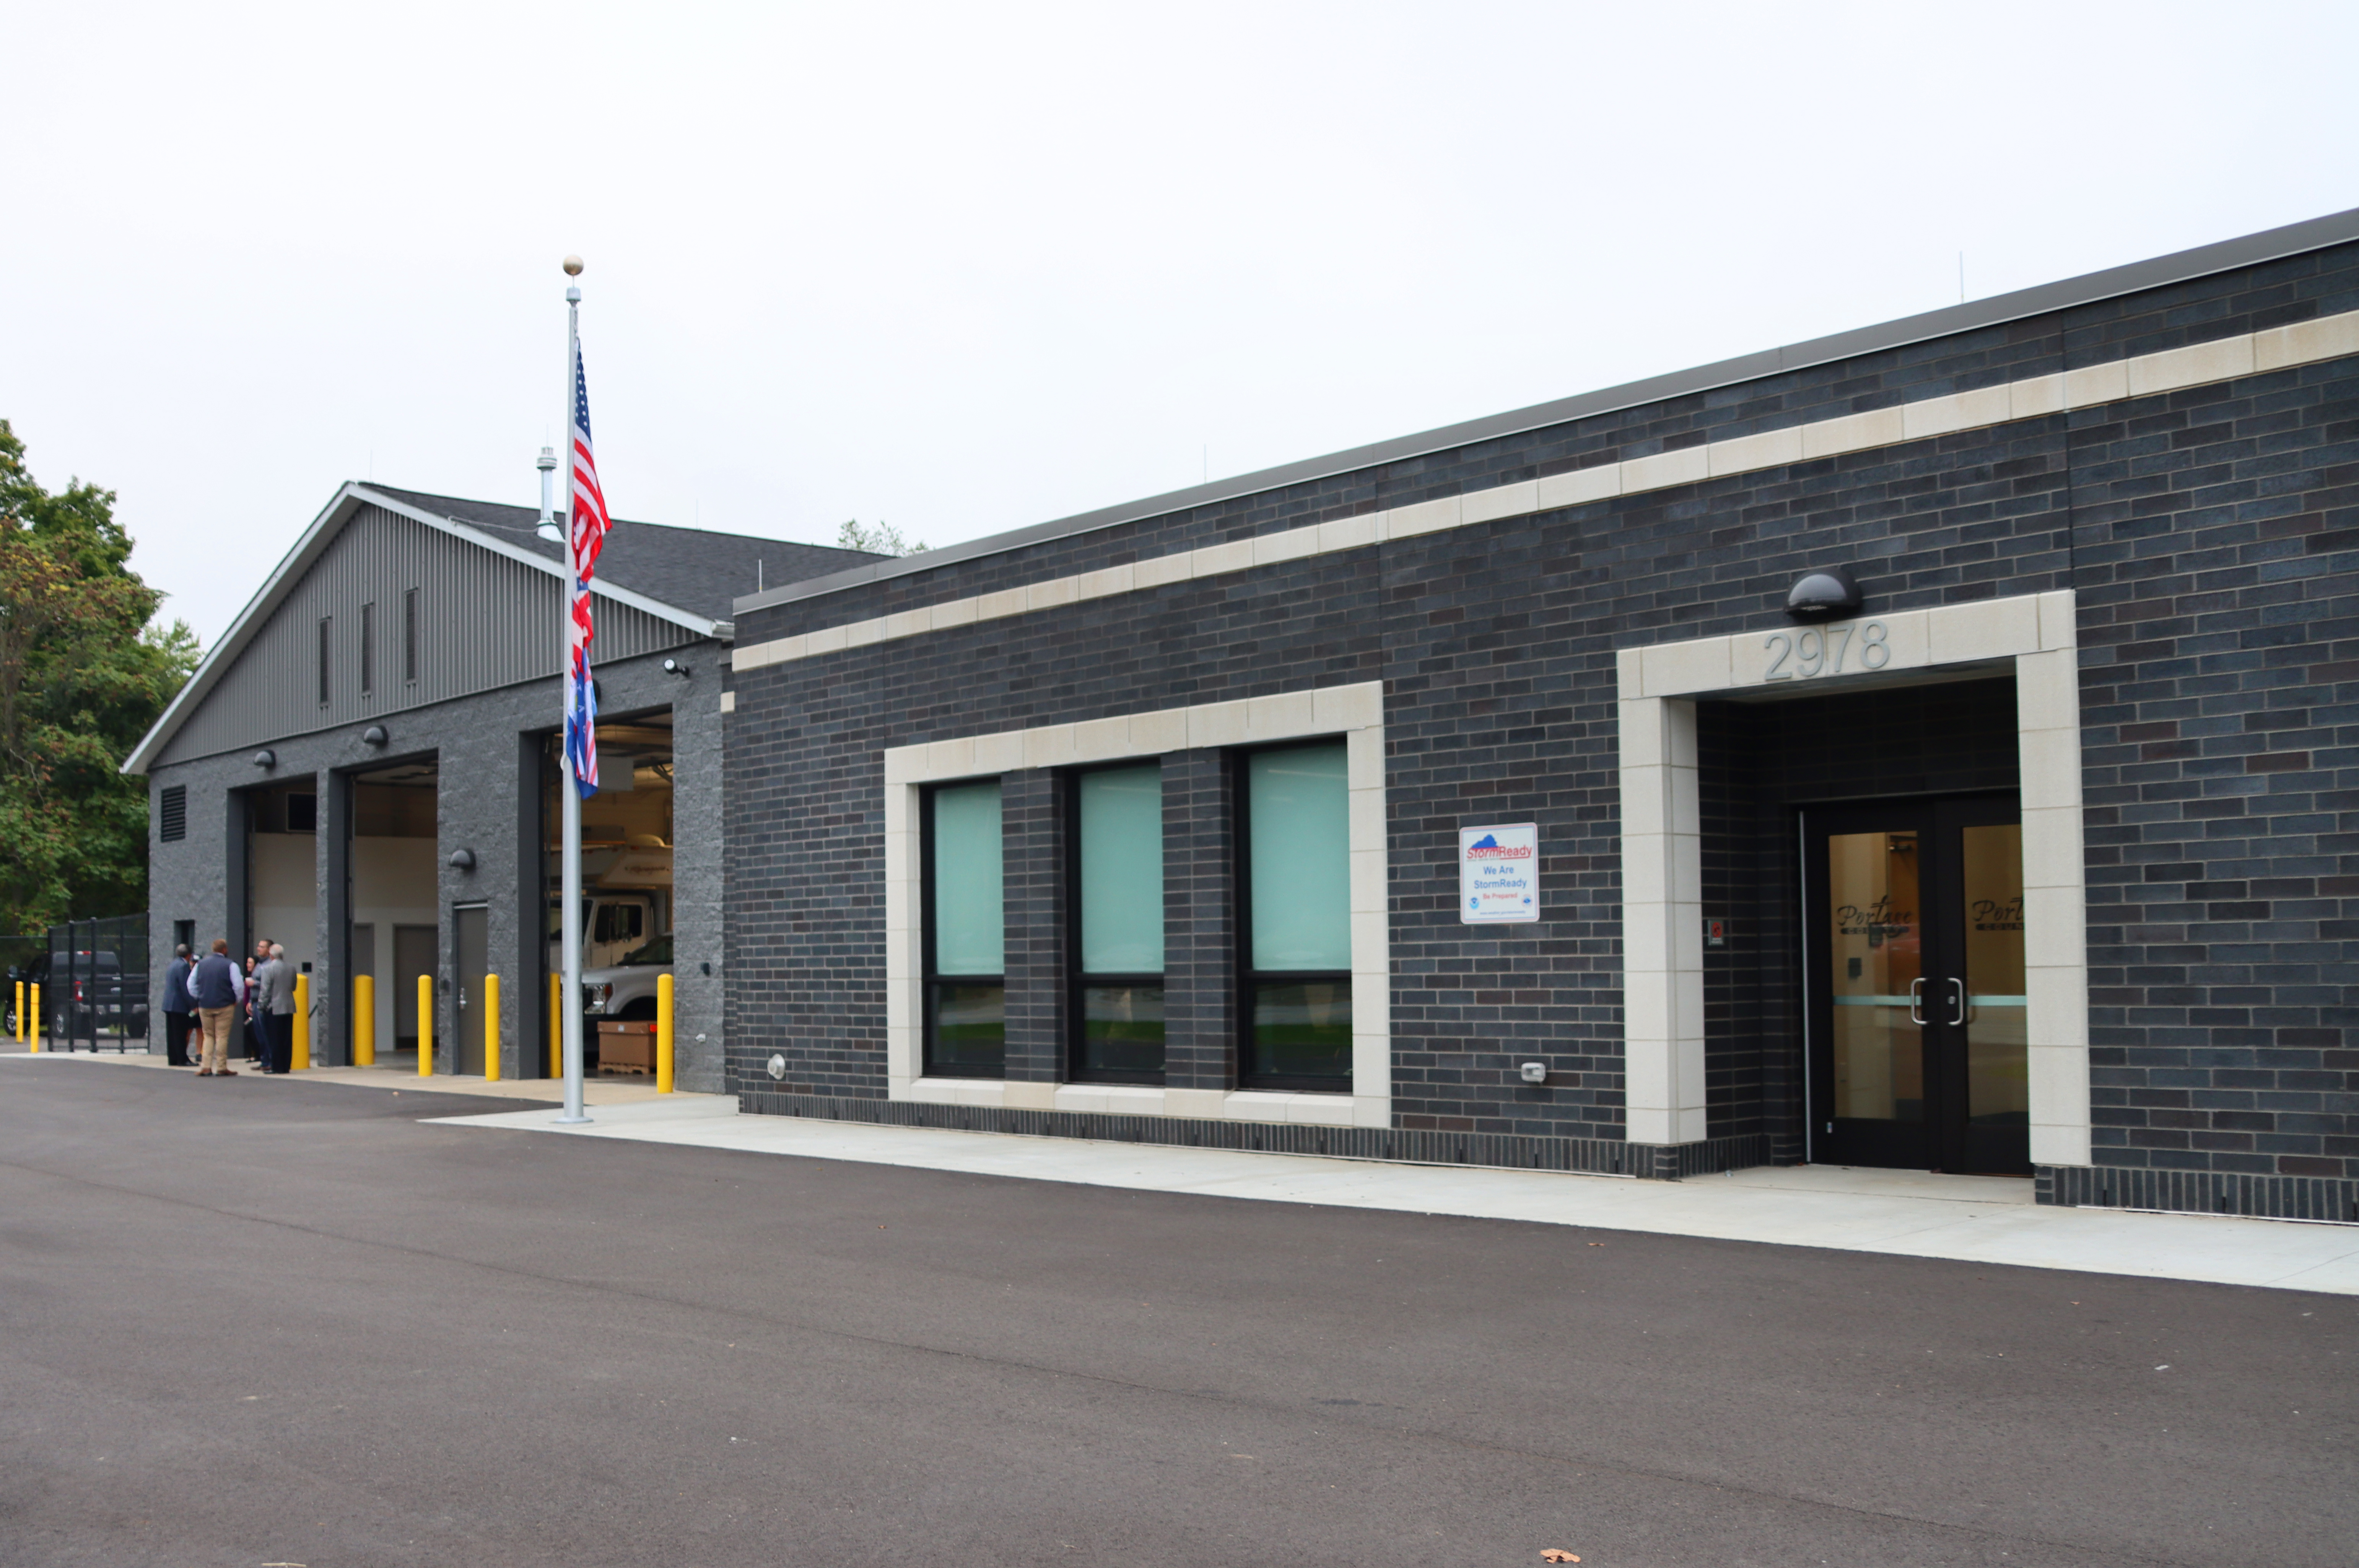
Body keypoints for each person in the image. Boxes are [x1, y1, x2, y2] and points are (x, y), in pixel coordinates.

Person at [187, 939, 245, 1077]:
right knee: (222, 1036)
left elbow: (191, 985)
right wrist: (236, 1000)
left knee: (208, 1036)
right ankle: (221, 1067)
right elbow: (238, 985)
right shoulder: (231, 965)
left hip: (205, 1005)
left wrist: (200, 996)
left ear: (213, 949)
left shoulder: (200, 965)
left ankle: (206, 1067)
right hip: (225, 1005)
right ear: (224, 950)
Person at [254, 944, 297, 1074]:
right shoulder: (291, 968)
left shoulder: (268, 969)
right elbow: (294, 987)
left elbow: (265, 990)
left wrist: (261, 1006)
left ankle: (276, 1066)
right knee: (287, 1038)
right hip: (289, 1006)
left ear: (271, 955)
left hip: (274, 1007)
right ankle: (285, 1066)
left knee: (274, 1039)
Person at [160, 944, 195, 1067]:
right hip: (179, 1005)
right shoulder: (184, 966)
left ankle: (173, 1058)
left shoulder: (173, 964)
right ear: (189, 955)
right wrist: (192, 1004)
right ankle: (183, 1059)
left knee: (172, 1034)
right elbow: (185, 987)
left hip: (169, 1004)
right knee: (181, 1033)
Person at [243, 938, 272, 1064]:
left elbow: (270, 984)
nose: (259, 949)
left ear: (269, 950)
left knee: (266, 1033)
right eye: (259, 946)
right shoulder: (259, 964)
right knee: (259, 1034)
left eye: (262, 947)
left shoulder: (270, 965)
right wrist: (250, 1000)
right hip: (255, 1001)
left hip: (263, 1002)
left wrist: (255, 983)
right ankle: (264, 1061)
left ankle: (269, 1061)